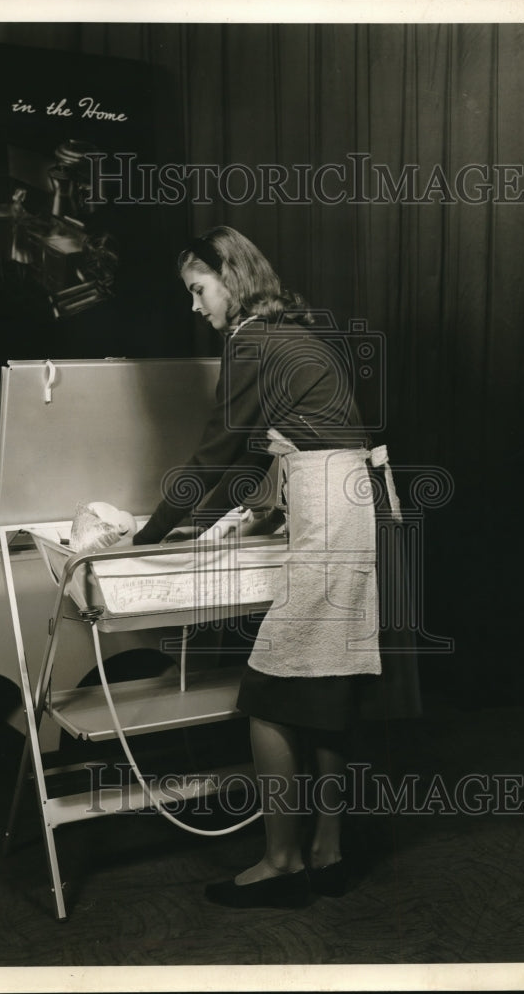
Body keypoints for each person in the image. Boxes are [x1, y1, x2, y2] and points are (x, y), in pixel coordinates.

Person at [132, 226, 418, 908]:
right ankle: (329, 851)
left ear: (230, 278)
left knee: (267, 692)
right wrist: (243, 508)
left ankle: (282, 861)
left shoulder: (251, 341)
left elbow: (216, 453)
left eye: (198, 290)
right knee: (325, 689)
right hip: (355, 503)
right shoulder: (296, 328)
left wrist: (144, 539)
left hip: (330, 510)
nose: (195, 307)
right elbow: (290, 442)